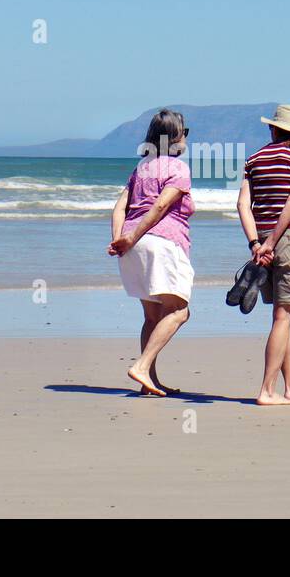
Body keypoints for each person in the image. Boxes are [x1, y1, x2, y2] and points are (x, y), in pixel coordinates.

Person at [108, 109, 195, 397]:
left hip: (135, 246)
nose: (186, 137)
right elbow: (159, 207)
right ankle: (143, 366)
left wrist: (120, 240)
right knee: (179, 311)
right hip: (160, 243)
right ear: (174, 137)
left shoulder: (141, 168)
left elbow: (119, 208)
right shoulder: (178, 168)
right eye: (185, 132)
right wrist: (131, 238)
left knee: (152, 316)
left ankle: (149, 382)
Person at [237, 104, 290, 406]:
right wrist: (273, 241)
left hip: (262, 244)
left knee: (280, 317)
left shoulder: (254, 159)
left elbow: (243, 206)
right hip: (288, 240)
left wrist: (256, 244)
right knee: (284, 315)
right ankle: (267, 391)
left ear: (273, 128)